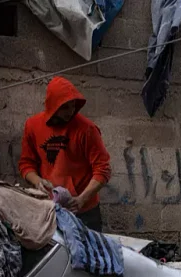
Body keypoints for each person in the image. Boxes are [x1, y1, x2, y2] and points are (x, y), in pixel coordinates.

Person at [18, 76, 111, 232]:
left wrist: (82, 199)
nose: (71, 111)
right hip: (50, 207)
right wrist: (37, 181)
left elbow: (103, 169)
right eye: (65, 107)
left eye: (73, 105)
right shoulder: (33, 126)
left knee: (90, 254)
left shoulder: (87, 129)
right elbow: (26, 164)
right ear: (53, 106)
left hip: (84, 210)